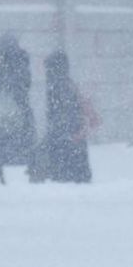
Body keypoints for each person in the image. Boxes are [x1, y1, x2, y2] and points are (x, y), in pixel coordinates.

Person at [28, 50, 91, 183]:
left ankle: (46, 178)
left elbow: (64, 113)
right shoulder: (65, 83)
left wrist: (59, 132)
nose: (47, 73)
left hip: (66, 136)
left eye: (48, 68)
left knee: (55, 166)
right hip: (68, 136)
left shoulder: (59, 85)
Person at [0, 32, 36, 183]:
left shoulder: (11, 66)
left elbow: (16, 86)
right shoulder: (19, 64)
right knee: (18, 142)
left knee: (3, 141)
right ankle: (0, 170)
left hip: (10, 111)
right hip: (14, 111)